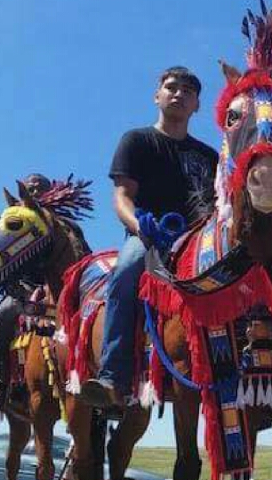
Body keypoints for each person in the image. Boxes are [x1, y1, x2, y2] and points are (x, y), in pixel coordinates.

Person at [80, 66, 218, 408]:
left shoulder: (208, 156)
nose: (179, 94)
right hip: (151, 236)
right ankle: (113, 376)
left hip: (199, 240)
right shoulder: (137, 140)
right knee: (126, 270)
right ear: (157, 96)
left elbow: (219, 205)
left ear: (197, 105)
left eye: (188, 90)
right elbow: (122, 197)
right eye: (171, 87)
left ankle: (260, 380)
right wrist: (141, 227)